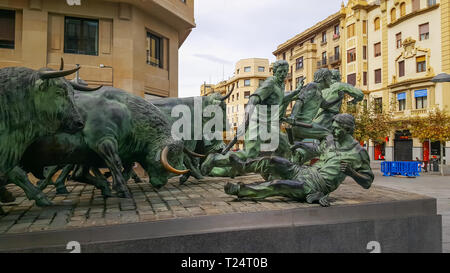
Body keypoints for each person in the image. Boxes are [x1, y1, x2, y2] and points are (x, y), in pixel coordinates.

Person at [224, 114, 374, 207]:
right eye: (333, 128)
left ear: (348, 130)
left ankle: (240, 190)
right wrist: (301, 145)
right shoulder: (331, 141)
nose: (333, 132)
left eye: (337, 129)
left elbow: (367, 182)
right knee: (273, 160)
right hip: (304, 171)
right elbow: (316, 149)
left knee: (279, 185)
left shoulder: (358, 153)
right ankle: (242, 166)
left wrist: (352, 173)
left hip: (316, 185)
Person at [201, 60, 302, 177]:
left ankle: (276, 174)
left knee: (284, 147)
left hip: (270, 125)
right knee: (250, 155)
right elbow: (253, 99)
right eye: (280, 71)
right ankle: (214, 160)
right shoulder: (270, 83)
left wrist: (296, 91)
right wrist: (245, 122)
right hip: (257, 123)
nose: (283, 74)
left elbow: (280, 99)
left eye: (285, 71)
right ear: (274, 72)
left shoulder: (280, 85)